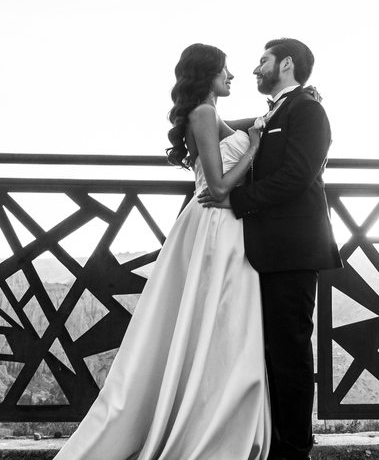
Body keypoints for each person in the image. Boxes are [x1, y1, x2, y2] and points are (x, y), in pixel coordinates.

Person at [54, 43, 270, 460]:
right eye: (225, 70)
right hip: (217, 225)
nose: (233, 76)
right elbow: (220, 187)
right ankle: (209, 423)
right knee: (222, 324)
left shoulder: (210, 114)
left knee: (207, 325)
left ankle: (203, 416)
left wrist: (266, 120)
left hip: (216, 227)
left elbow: (238, 129)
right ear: (207, 74)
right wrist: (257, 148)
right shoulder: (204, 114)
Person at [197, 38, 342, 460]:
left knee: (290, 353)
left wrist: (236, 199)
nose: (255, 68)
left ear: (286, 64)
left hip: (293, 249)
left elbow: (299, 175)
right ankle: (271, 440)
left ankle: (295, 449)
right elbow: (230, 131)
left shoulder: (308, 110)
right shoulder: (274, 112)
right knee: (266, 352)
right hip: (260, 251)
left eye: (263, 60)